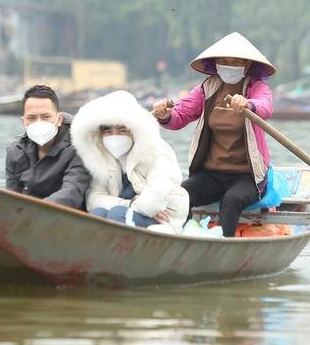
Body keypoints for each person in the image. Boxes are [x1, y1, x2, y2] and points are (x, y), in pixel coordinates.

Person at [151, 32, 275, 237]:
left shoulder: (256, 87)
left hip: (247, 175)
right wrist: (165, 115)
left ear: (247, 65)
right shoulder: (208, 88)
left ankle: (222, 245)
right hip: (211, 174)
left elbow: (266, 106)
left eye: (236, 62)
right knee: (182, 194)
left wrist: (249, 104)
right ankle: (176, 238)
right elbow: (180, 115)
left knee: (232, 200)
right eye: (224, 61)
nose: (229, 65)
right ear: (216, 63)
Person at [71, 90, 189, 230]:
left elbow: (156, 197)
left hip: (164, 216)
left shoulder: (157, 150)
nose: (114, 136)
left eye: (122, 130)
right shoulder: (100, 155)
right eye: (108, 131)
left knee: (118, 214)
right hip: (128, 210)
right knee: (97, 215)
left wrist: (132, 207)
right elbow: (94, 199)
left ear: (134, 130)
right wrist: (130, 204)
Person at [5, 84, 90, 209]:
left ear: (59, 119)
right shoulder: (15, 152)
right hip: (25, 218)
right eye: (32, 118)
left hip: (68, 218)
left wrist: (34, 209)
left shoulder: (80, 147)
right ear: (24, 122)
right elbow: (11, 197)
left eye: (46, 117)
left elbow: (73, 192)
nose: (39, 122)